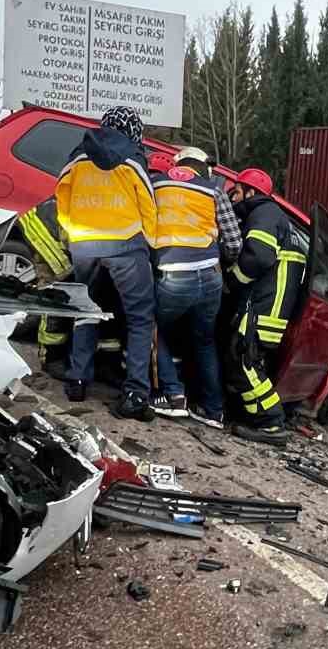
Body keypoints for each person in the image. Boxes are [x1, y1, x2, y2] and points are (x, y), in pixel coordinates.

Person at [53, 105, 158, 419]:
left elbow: (61, 197)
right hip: (126, 245)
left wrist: (73, 234)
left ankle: (77, 380)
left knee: (86, 309)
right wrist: (149, 245)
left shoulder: (77, 158)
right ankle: (136, 391)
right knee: (140, 317)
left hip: (84, 245)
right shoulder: (133, 159)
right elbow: (148, 205)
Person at [225, 167, 305, 446]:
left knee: (245, 362)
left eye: (235, 192)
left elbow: (258, 258)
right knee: (246, 361)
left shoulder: (264, 215)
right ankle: (257, 417)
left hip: (263, 309)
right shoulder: (275, 218)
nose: (231, 198)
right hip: (270, 308)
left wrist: (231, 281)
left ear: (251, 192)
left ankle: (271, 423)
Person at [150, 153, 227, 428]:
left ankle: (173, 394)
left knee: (150, 327)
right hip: (211, 276)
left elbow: (144, 229)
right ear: (201, 168)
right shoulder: (214, 190)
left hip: (173, 275)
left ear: (177, 165)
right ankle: (213, 411)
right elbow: (233, 242)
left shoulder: (155, 184)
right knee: (205, 341)